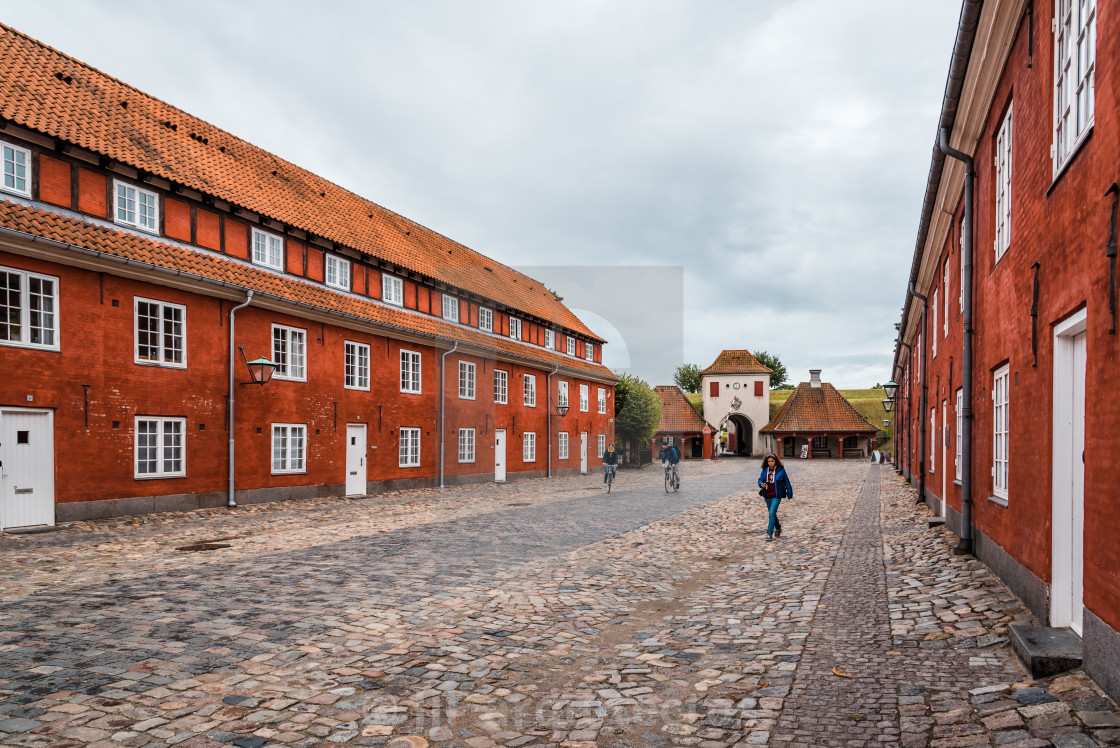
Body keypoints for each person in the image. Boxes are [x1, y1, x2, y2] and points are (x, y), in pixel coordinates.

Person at [757, 453, 793, 541]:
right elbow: (760, 479)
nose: (770, 463)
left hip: (777, 495)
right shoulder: (765, 470)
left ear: (775, 461)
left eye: (772, 461)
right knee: (772, 513)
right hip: (767, 494)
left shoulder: (781, 471)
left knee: (771, 513)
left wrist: (789, 493)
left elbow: (787, 482)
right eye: (769, 461)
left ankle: (769, 533)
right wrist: (761, 484)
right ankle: (778, 527)